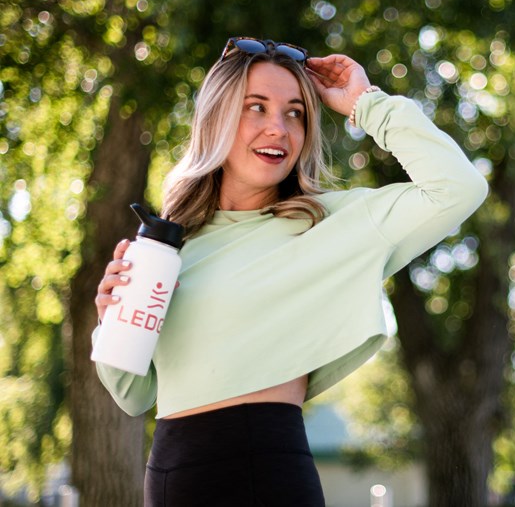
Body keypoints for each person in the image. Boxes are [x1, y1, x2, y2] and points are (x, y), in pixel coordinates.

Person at [92, 38, 488, 506]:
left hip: (264, 471)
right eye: (255, 108)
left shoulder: (331, 225)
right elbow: (134, 396)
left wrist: (366, 103)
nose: (278, 128)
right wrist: (113, 321)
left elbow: (458, 188)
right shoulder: (172, 247)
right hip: (172, 476)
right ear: (216, 116)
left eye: (295, 112)